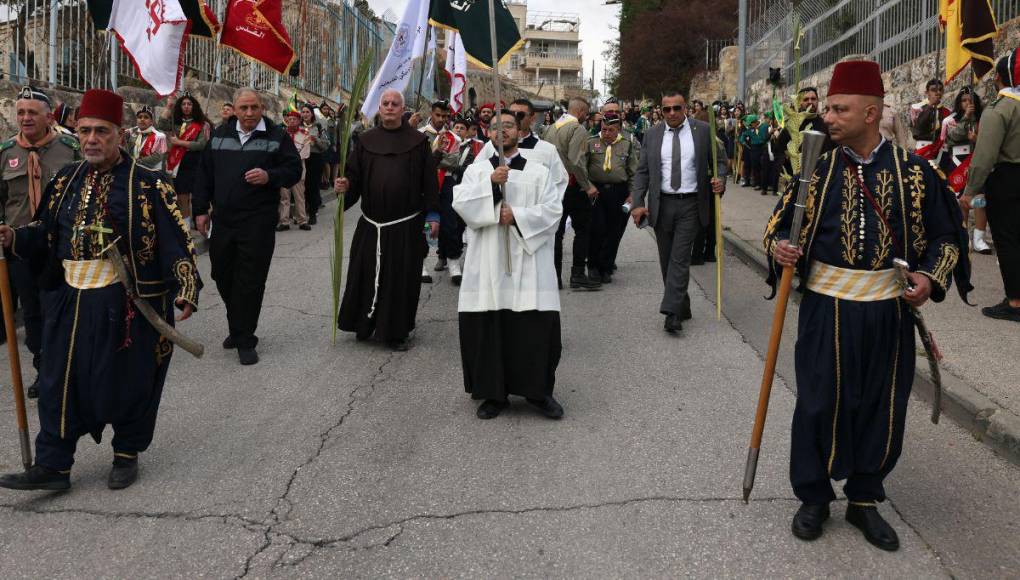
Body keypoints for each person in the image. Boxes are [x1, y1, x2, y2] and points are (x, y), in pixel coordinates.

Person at [765, 61, 970, 551]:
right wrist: (779, 248)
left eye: (839, 109)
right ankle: (813, 496)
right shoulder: (815, 167)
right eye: (828, 107)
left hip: (886, 313)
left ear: (871, 113)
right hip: (825, 309)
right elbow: (777, 226)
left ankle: (864, 499)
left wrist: (927, 278)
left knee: (881, 405)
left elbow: (947, 237)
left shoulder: (916, 173)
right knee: (817, 403)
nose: (828, 116)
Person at [0, 88, 201, 492]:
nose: (92, 139)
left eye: (102, 132)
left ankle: (126, 453)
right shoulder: (65, 180)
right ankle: (53, 466)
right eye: (86, 130)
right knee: (57, 381)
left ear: (120, 134)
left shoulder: (150, 184)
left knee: (126, 381)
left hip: (125, 303)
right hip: (68, 299)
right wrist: (13, 237)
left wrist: (184, 287)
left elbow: (175, 241)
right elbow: (44, 232)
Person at [453, 110, 564, 420]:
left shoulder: (539, 171)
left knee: (533, 327)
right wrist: (490, 183)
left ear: (520, 130)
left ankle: (538, 392)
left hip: (529, 260)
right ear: (488, 134)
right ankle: (493, 393)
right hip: (488, 259)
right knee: (490, 326)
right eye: (494, 126)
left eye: (508, 125)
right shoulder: (477, 170)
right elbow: (460, 204)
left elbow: (554, 210)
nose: (501, 131)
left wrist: (518, 216)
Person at [193, 88, 303, 365]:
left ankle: (244, 338)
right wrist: (199, 210)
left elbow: (293, 171)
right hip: (224, 221)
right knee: (221, 273)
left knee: (250, 280)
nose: (249, 113)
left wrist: (270, 176)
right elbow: (204, 173)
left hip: (258, 221)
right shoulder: (219, 135)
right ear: (235, 109)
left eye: (254, 107)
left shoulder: (276, 135)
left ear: (262, 107)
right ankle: (238, 323)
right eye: (244, 108)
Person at [334, 89, 440, 351]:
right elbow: (354, 179)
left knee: (400, 280)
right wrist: (343, 187)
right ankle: (364, 324)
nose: (390, 107)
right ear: (379, 109)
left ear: (402, 110)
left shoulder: (418, 142)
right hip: (371, 224)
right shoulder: (365, 140)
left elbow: (429, 182)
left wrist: (433, 215)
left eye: (395, 104)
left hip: (406, 225)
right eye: (386, 103)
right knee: (366, 274)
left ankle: (396, 332)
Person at [0, 86, 80, 398]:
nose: (25, 118)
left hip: (59, 243)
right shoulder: (6, 153)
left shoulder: (69, 148)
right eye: (20, 112)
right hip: (19, 245)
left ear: (49, 117)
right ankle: (43, 366)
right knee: (31, 310)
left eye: (32, 112)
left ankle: (64, 365)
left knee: (59, 307)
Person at [630, 91, 728, 333]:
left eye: (677, 108)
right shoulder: (652, 135)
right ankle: (682, 304)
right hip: (661, 204)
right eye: (667, 109)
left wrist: (720, 180)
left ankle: (671, 312)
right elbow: (642, 171)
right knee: (666, 260)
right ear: (661, 111)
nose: (672, 113)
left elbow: (721, 161)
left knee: (680, 258)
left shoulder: (703, 131)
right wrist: (637, 203)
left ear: (686, 108)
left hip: (692, 204)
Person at [962, 48, 1020, 323]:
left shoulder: (1000, 109)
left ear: (998, 77)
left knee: (1008, 240)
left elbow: (984, 157)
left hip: (1008, 179)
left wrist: (970, 191)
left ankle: (1015, 301)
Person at [544, 97, 602, 289]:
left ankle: (553, 276)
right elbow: (576, 161)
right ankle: (577, 274)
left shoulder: (551, 128)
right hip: (572, 186)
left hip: (553, 186)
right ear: (581, 112)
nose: (586, 117)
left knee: (556, 233)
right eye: (586, 114)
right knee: (583, 230)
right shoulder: (578, 129)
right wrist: (588, 186)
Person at [585, 113, 637, 283]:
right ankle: (593, 266)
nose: (606, 133)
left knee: (613, 232)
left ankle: (605, 267)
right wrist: (587, 186)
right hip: (596, 191)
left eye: (611, 130)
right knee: (597, 229)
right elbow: (581, 167)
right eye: (604, 129)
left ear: (618, 130)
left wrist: (632, 194)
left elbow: (633, 172)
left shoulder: (626, 145)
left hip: (618, 192)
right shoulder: (591, 142)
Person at [941, 86, 989, 254]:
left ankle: (979, 239)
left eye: (971, 100)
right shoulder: (950, 120)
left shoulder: (983, 120)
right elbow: (952, 138)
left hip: (975, 163)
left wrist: (977, 139)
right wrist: (965, 118)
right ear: (959, 103)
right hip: (956, 164)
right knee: (961, 201)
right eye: (964, 100)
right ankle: (964, 238)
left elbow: (989, 143)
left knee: (980, 200)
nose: (967, 103)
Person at [419, 100, 461, 281]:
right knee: (424, 224)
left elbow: (454, 162)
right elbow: (417, 162)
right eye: (438, 115)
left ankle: (453, 262)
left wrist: (430, 158)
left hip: (447, 183)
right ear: (431, 113)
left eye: (445, 116)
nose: (441, 119)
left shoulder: (454, 138)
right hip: (424, 184)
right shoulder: (419, 135)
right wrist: (435, 158)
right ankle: (421, 263)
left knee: (450, 223)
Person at [159, 92, 210, 230]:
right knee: (182, 196)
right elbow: (161, 123)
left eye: (189, 104)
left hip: (196, 162)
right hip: (180, 163)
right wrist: (169, 106)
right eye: (183, 104)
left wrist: (179, 142)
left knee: (198, 195)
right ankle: (186, 228)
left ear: (194, 106)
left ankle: (203, 223)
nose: (186, 107)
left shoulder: (201, 124)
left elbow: (201, 145)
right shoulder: (176, 123)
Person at [278, 110, 312, 232]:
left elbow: (306, 151)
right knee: (284, 196)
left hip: (298, 168)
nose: (291, 121)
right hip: (284, 169)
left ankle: (302, 221)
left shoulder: (305, 134)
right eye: (289, 119)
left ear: (299, 121)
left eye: (294, 119)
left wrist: (293, 159)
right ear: (286, 121)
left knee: (299, 196)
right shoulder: (281, 134)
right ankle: (284, 221)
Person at [301, 103, 330, 225]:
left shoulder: (318, 127)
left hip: (315, 159)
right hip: (302, 159)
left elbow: (326, 143)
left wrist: (315, 140)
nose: (305, 114)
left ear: (312, 114)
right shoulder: (298, 126)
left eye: (308, 112)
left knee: (313, 186)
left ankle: (313, 213)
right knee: (303, 186)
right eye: (303, 112)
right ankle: (303, 212)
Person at [909, 79, 951, 148]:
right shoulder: (917, 108)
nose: (937, 92)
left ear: (943, 92)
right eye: (933, 90)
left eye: (940, 90)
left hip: (942, 150)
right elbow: (917, 130)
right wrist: (930, 105)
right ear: (927, 92)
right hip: (923, 149)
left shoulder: (947, 111)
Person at [125, 105, 168, 171]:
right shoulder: (132, 133)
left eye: (146, 117)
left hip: (150, 171)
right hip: (131, 169)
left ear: (151, 122)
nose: (142, 119)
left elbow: (157, 156)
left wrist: (136, 162)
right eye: (140, 117)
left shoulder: (159, 136)